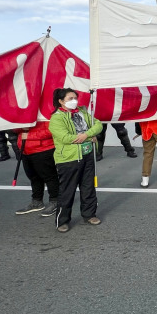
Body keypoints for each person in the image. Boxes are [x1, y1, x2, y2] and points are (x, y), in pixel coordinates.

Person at [48, 88, 103, 233]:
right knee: (67, 191)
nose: (74, 101)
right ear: (61, 101)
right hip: (68, 159)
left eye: (75, 98)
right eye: (70, 98)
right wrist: (87, 137)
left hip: (88, 155)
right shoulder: (57, 118)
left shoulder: (82, 112)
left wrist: (87, 134)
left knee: (88, 187)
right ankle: (63, 221)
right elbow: (65, 138)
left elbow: (98, 125)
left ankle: (89, 214)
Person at [13, 122, 59, 217]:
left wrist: (29, 135)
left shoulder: (45, 111)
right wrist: (20, 127)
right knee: (33, 177)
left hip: (43, 149)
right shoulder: (24, 111)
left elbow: (52, 130)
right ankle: (37, 201)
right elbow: (13, 128)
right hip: (25, 149)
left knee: (49, 177)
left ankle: (55, 201)